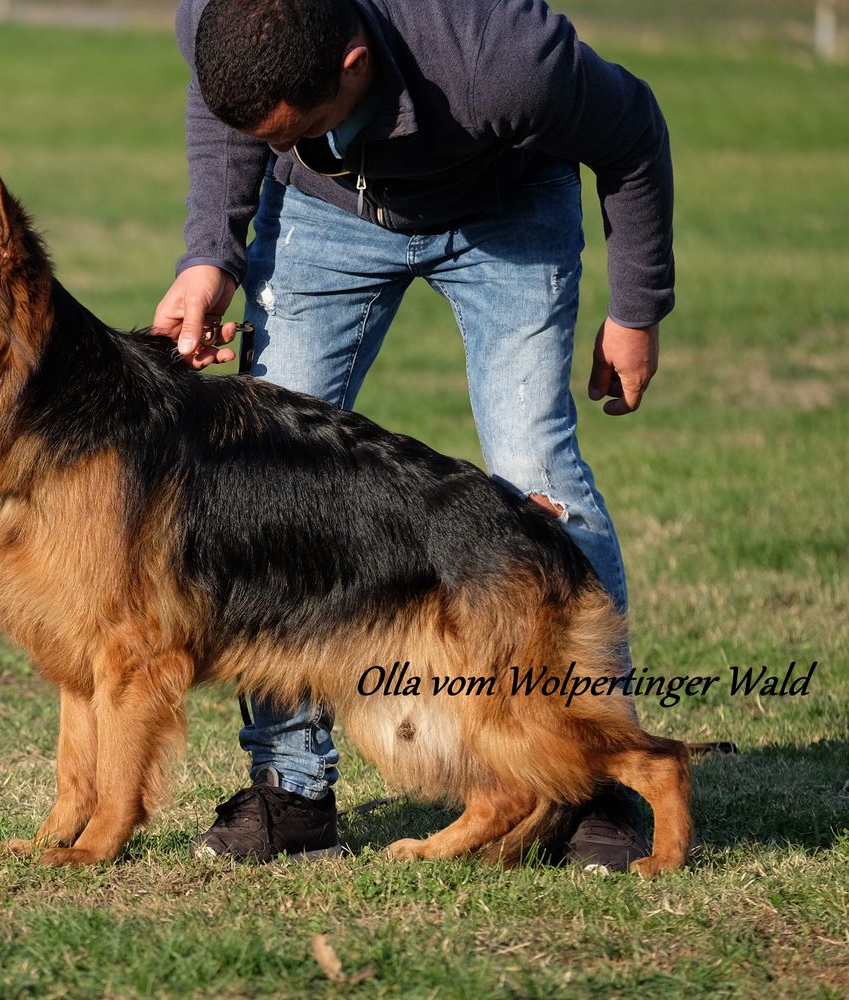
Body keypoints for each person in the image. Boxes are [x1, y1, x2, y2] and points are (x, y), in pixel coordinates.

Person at [152, 0, 673, 870]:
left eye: (300, 127)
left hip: (506, 206)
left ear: (353, 63)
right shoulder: (218, 14)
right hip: (323, 217)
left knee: (537, 469)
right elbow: (230, 114)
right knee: (269, 486)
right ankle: (291, 789)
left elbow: (632, 133)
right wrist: (210, 255)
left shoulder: (504, 59)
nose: (285, 138)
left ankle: (589, 775)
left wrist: (636, 310)